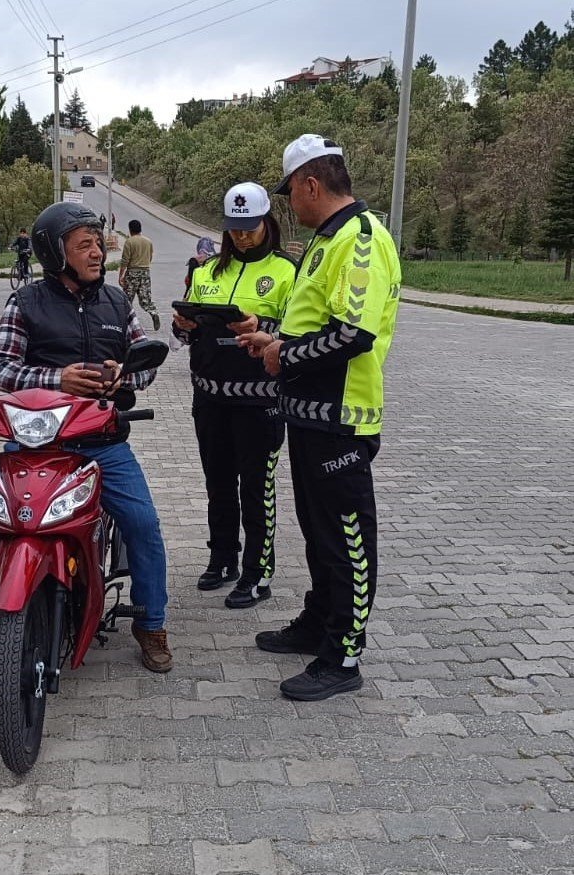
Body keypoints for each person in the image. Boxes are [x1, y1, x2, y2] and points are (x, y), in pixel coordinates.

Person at [0, 203, 172, 673]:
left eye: (98, 243)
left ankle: (151, 623)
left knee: (143, 525)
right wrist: (56, 379)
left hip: (103, 442)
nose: (97, 253)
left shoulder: (118, 303)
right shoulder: (25, 302)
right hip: (37, 442)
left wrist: (122, 378)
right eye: (84, 245)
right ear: (54, 253)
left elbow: (147, 364)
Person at [240, 134, 401, 700]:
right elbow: (317, 322)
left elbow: (354, 335)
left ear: (311, 184)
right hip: (309, 415)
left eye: (290, 194)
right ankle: (317, 624)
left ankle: (344, 657)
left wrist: (285, 354)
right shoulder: (325, 240)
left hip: (341, 419)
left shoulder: (359, 240)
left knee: (347, 540)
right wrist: (275, 337)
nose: (291, 205)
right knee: (317, 533)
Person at [172, 182, 295, 608]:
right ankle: (221, 557)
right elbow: (185, 331)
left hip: (259, 401)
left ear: (267, 222)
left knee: (256, 489)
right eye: (234, 229)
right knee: (218, 483)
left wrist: (264, 327)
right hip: (209, 397)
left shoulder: (286, 272)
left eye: (250, 227)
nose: (242, 236)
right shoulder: (206, 272)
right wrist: (182, 326)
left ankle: (257, 573)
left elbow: (298, 335)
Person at [119, 219, 160, 331]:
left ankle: (125, 322)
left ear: (130, 229)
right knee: (145, 298)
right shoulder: (148, 241)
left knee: (128, 298)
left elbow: (125, 260)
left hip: (132, 273)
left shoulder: (129, 242)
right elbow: (150, 257)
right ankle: (154, 313)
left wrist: (121, 275)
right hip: (145, 272)